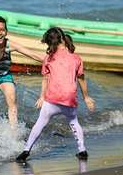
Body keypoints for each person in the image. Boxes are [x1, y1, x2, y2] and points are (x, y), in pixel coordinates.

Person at [16, 27, 95, 162]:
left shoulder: (48, 58)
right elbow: (81, 78)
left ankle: (26, 151)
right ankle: (82, 150)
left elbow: (45, 79)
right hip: (69, 99)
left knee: (40, 123)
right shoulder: (76, 58)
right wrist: (86, 97)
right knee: (74, 122)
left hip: (52, 99)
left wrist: (42, 97)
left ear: (49, 43)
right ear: (63, 39)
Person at [0, 16, 44, 127]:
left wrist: (52, 60)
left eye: (2, 30)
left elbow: (32, 54)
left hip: (4, 76)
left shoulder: (10, 44)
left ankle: (13, 130)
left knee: (12, 100)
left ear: (6, 31)